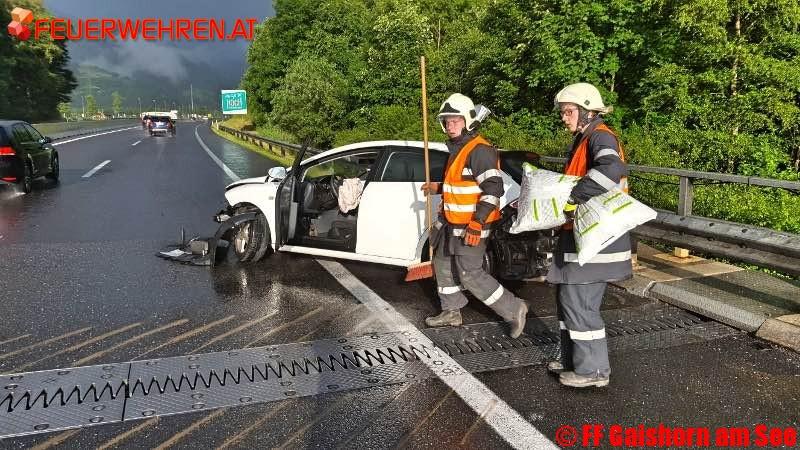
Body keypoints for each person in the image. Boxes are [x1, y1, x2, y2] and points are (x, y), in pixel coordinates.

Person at [422, 93, 528, 338]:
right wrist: (437, 188)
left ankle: (514, 309)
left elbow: (493, 189)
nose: (450, 125)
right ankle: (451, 311)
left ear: (468, 121)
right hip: (451, 224)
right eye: (446, 121)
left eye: (455, 120)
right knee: (443, 263)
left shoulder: (479, 150)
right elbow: (463, 184)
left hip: (471, 225)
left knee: (470, 274)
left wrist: (476, 223)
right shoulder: (457, 150)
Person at [548, 83, 632, 388]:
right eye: (563, 112)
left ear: (586, 111)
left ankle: (593, 370)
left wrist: (575, 196)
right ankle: (573, 358)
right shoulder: (585, 139)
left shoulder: (599, 136)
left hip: (596, 239)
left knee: (579, 302)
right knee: (567, 299)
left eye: (568, 112)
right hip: (584, 237)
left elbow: (611, 169)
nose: (564, 118)